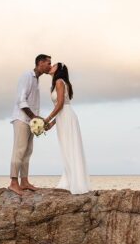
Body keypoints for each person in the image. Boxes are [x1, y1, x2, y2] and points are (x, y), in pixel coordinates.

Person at [43, 62, 90, 194]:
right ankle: (70, 179)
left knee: (70, 147)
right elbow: (59, 108)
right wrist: (51, 124)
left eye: (54, 65)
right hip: (63, 116)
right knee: (67, 148)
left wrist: (47, 119)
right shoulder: (59, 82)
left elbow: (61, 104)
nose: (51, 66)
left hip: (67, 117)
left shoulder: (59, 81)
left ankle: (75, 182)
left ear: (59, 70)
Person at [8, 54, 52, 195]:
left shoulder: (37, 80)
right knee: (19, 150)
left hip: (30, 120)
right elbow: (21, 100)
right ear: (40, 63)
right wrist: (34, 118)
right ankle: (13, 183)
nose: (50, 66)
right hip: (21, 119)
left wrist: (35, 120)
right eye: (48, 63)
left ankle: (24, 181)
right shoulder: (27, 76)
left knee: (28, 151)